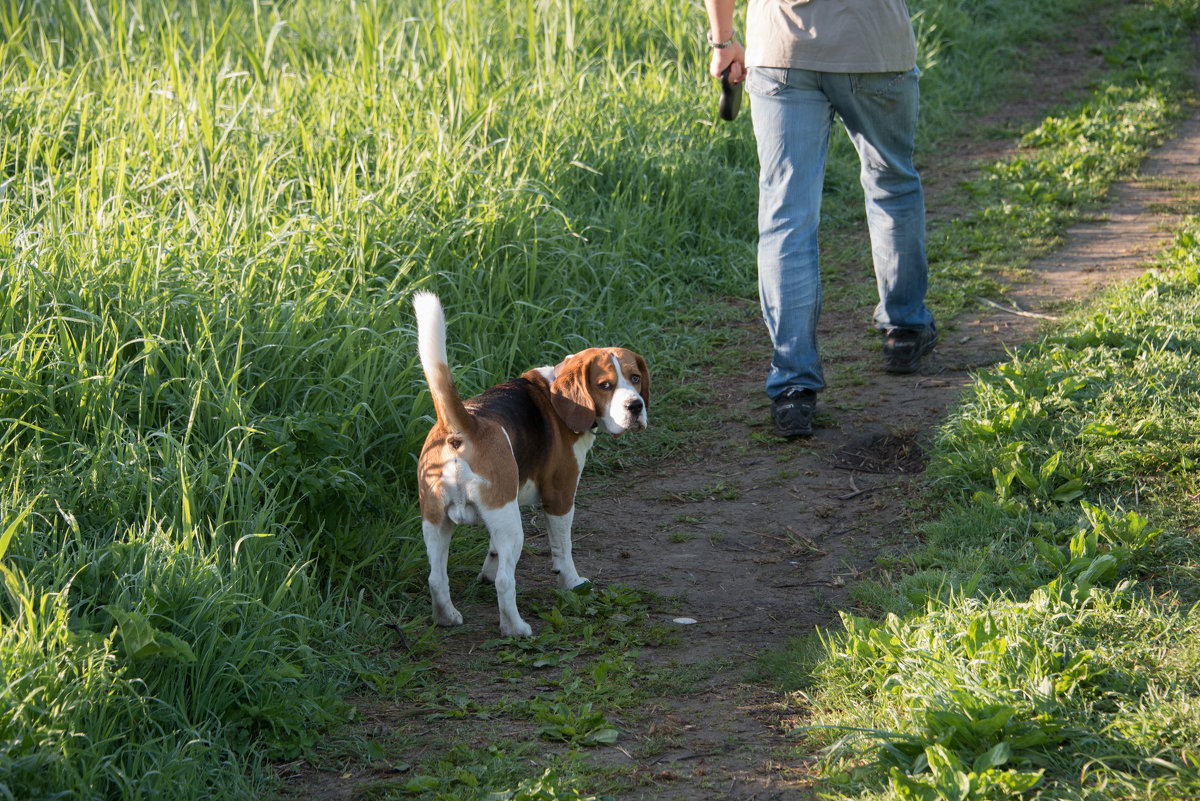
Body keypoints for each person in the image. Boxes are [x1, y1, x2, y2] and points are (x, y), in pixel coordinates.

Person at [704, 0, 938, 438]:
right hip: (874, 43)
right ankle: (904, 329)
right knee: (892, 184)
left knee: (786, 216)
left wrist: (723, 39)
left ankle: (793, 385)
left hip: (782, 46)